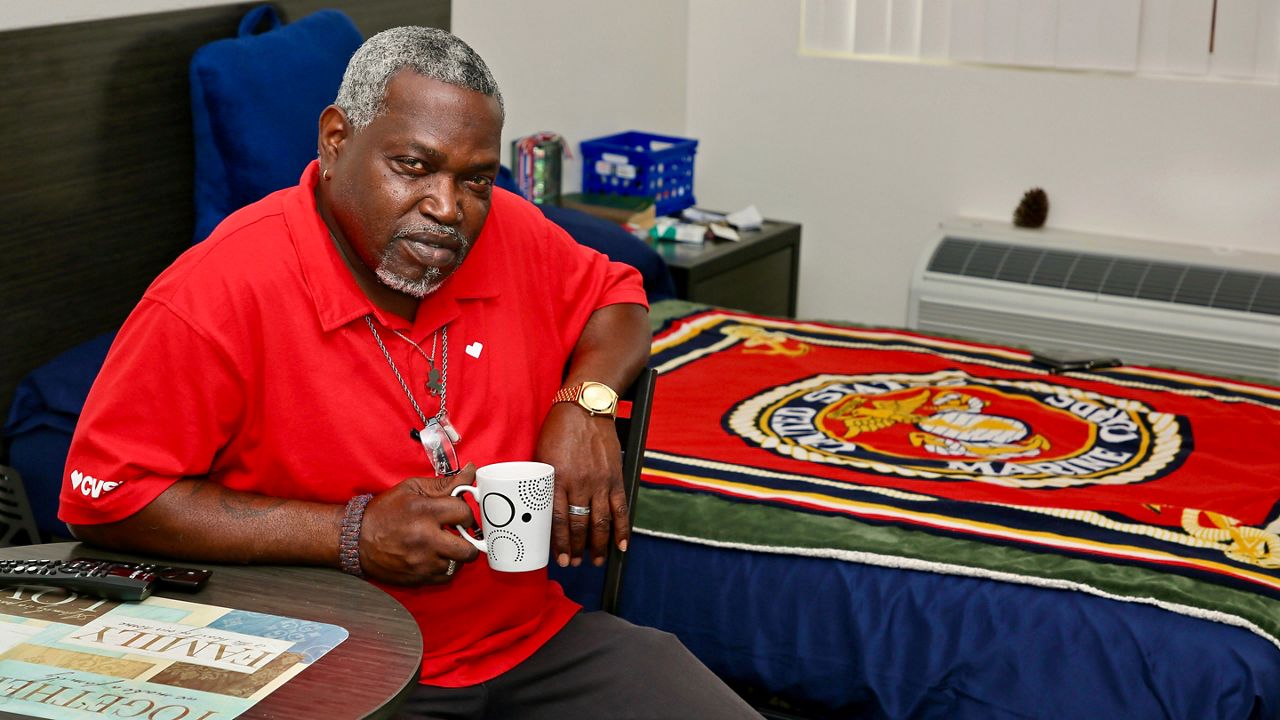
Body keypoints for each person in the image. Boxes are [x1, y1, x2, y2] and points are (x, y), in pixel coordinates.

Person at [58, 25, 759, 719]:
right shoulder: (215, 292)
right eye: (414, 167)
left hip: (533, 643)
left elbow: (619, 297)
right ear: (336, 141)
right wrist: (350, 534)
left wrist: (586, 401)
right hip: (333, 664)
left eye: (475, 178)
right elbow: (109, 497)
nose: (448, 209)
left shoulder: (509, 232)